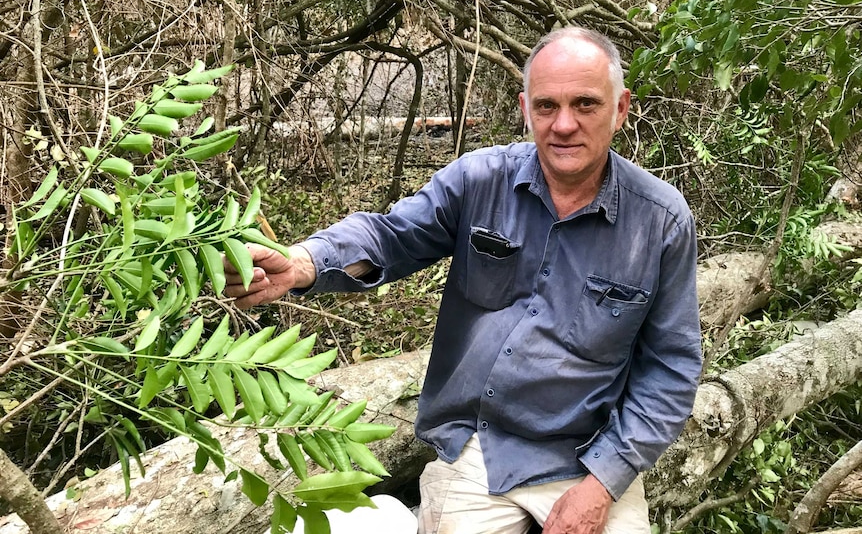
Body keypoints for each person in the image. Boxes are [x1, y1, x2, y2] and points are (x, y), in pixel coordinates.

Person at [225, 26, 702, 534]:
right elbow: (390, 235)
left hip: (592, 452)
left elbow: (671, 368)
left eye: (585, 104)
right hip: (483, 441)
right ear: (525, 108)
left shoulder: (660, 221)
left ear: (621, 108)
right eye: (546, 106)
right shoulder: (480, 180)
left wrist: (604, 482)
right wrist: (303, 263)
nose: (564, 124)